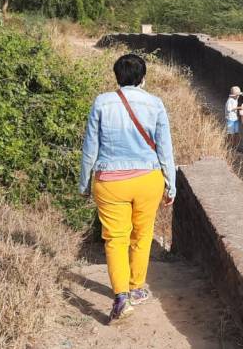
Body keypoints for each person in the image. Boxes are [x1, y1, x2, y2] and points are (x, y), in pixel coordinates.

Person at [79, 53, 176, 324]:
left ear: (116, 77)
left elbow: (90, 147)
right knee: (142, 236)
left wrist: (85, 182)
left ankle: (121, 297)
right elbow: (165, 148)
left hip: (110, 181)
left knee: (115, 239)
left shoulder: (102, 102)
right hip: (148, 180)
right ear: (143, 78)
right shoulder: (155, 103)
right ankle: (136, 288)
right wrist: (172, 184)